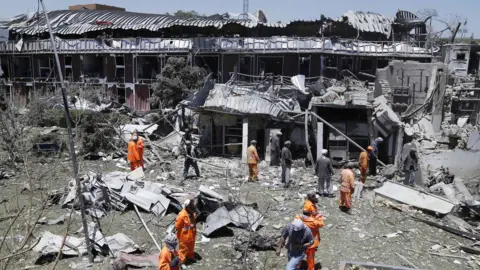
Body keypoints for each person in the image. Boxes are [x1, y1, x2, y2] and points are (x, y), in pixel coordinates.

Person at [175, 198, 197, 264]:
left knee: (191, 248)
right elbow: (177, 226)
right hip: (184, 238)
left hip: (192, 236)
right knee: (183, 250)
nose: (193, 206)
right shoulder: (182, 215)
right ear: (187, 207)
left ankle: (190, 257)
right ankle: (181, 262)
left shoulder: (192, 214)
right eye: (191, 205)